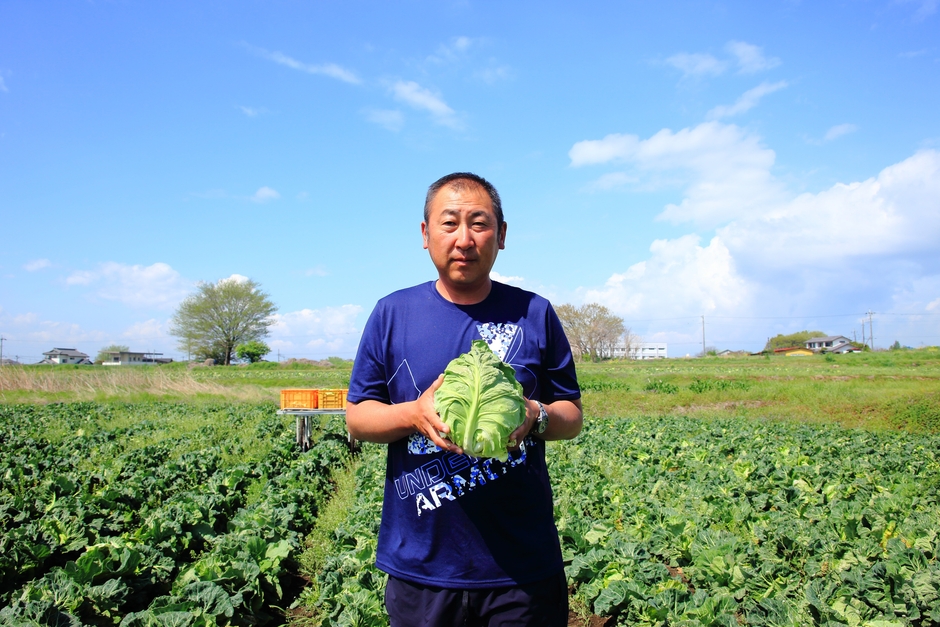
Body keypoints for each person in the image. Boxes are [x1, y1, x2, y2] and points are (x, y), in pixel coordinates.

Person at [346, 172, 583, 626]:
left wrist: (535, 415)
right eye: (449, 223)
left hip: (522, 567)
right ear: (425, 233)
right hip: (422, 565)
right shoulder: (392, 313)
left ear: (502, 234)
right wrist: (414, 414)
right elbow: (357, 419)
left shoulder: (534, 312)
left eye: (479, 223)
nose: (464, 239)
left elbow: (571, 415)